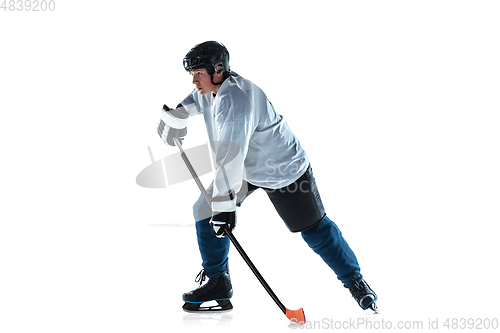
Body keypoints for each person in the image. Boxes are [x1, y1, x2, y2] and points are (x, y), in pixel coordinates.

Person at [157, 41, 378, 314]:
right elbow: (196, 99)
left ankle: (356, 282)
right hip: (247, 170)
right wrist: (176, 115)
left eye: (198, 74)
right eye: (192, 74)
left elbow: (231, 155)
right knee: (204, 208)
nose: (194, 80)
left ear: (217, 70)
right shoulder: (211, 87)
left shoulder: (237, 101)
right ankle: (217, 281)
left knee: (314, 231)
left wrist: (224, 205)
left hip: (283, 170)